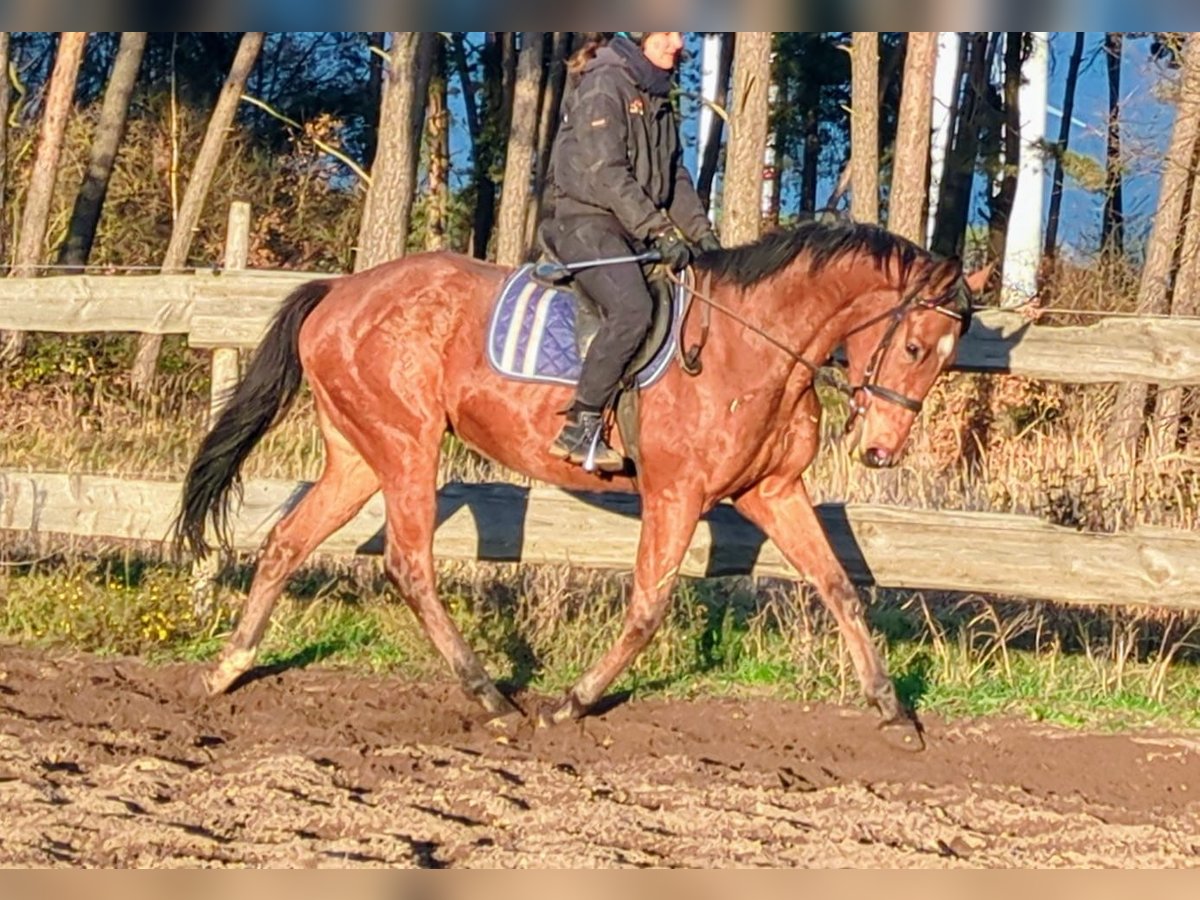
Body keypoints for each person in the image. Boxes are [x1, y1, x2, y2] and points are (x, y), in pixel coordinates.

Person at [546, 31, 721, 472]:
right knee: (632, 308)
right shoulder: (605, 84)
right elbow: (607, 173)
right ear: (640, 37)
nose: (677, 43)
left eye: (680, 35)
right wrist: (659, 230)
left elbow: (674, 177)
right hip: (587, 223)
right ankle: (580, 422)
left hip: (633, 229)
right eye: (666, 34)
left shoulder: (657, 96)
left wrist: (703, 237)